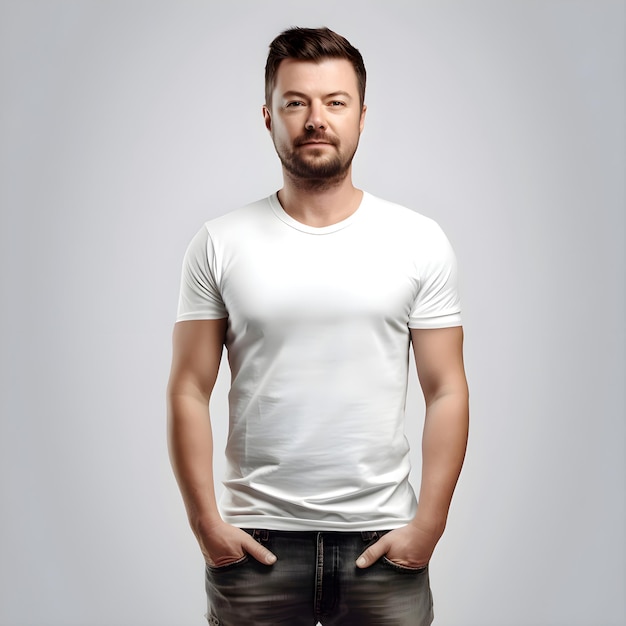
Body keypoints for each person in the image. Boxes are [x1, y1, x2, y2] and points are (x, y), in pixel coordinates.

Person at [167, 26, 469, 626]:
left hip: (382, 543)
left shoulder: (417, 240)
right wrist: (207, 525)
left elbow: (447, 388)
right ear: (268, 116)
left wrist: (428, 526)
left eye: (335, 102)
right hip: (258, 544)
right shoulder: (219, 242)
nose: (315, 119)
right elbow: (188, 387)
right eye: (295, 102)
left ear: (361, 115)